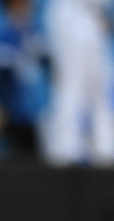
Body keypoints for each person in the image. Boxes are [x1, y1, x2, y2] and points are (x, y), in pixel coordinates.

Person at [42, 0, 114, 164]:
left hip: (94, 15)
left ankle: (104, 146)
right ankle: (64, 146)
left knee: (100, 85)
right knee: (71, 83)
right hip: (71, 11)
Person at [0, 0, 48, 157]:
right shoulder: (3, 30)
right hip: (13, 110)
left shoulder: (34, 30)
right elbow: (0, 67)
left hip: (37, 111)